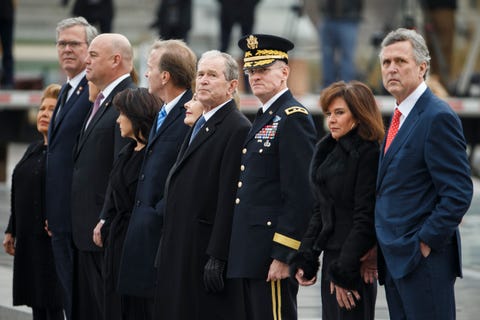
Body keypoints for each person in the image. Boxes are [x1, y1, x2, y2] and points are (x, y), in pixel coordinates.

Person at [375, 28, 473, 320]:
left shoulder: (437, 116)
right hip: (396, 260)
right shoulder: (399, 115)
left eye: (400, 61)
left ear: (422, 68)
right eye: (386, 62)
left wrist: (424, 243)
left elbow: (458, 193)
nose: (392, 68)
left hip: (422, 262)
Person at [154, 50, 251, 319]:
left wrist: (218, 255)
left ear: (232, 86)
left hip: (202, 250)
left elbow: (229, 196)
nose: (203, 80)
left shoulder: (236, 127)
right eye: (200, 74)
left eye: (212, 75)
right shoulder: (201, 122)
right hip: (180, 246)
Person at [227, 34, 317, 320]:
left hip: (271, 252)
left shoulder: (292, 117)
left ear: (284, 72)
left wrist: (284, 253)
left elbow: (301, 193)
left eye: (263, 69)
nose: (255, 76)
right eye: (250, 71)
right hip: (250, 249)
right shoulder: (266, 115)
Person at [292, 80, 384, 320]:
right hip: (333, 258)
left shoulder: (368, 153)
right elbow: (320, 209)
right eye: (329, 113)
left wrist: (345, 272)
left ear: (359, 115)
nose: (331, 119)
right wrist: (307, 256)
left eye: (339, 113)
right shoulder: (329, 150)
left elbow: (365, 217)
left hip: (353, 261)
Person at [118, 39, 195, 318]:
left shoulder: (190, 113)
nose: (146, 74)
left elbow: (185, 175)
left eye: (150, 68)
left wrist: (157, 212)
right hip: (144, 235)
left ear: (165, 76)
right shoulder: (164, 111)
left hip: (163, 234)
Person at [71, 32, 134, 320]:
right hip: (85, 229)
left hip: (102, 231)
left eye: (93, 55)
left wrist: (107, 217)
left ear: (116, 60)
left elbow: (120, 169)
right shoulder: (102, 100)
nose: (86, 59)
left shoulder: (126, 101)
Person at [45, 17, 98, 320]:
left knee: (81, 301)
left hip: (80, 219)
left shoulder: (92, 93)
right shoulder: (66, 90)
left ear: (90, 49)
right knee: (68, 297)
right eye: (62, 44)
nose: (67, 49)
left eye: (74, 44)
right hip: (61, 217)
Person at [91, 88, 159, 320]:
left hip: (138, 245)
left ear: (137, 116)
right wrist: (104, 220)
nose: (118, 119)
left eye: (122, 114)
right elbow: (114, 193)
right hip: (117, 242)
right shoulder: (127, 152)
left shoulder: (152, 155)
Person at [3, 84, 64, 320]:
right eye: (42, 109)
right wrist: (11, 229)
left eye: (52, 109)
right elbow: (19, 189)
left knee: (53, 305)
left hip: (50, 242)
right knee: (36, 304)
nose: (44, 113)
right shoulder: (33, 148)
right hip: (28, 240)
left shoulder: (63, 152)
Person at [317, 0, 363, 88]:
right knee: (327, 54)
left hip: (349, 18)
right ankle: (328, 88)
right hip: (328, 17)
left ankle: (347, 88)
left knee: (347, 56)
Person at [421, 0, 456, 93]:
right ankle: (433, 84)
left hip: (444, 6)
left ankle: (442, 87)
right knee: (429, 50)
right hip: (427, 7)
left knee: (443, 48)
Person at [0, 0, 15, 88]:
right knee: (7, 50)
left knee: (7, 50)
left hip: (6, 14)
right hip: (7, 13)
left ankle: (8, 81)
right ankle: (8, 81)